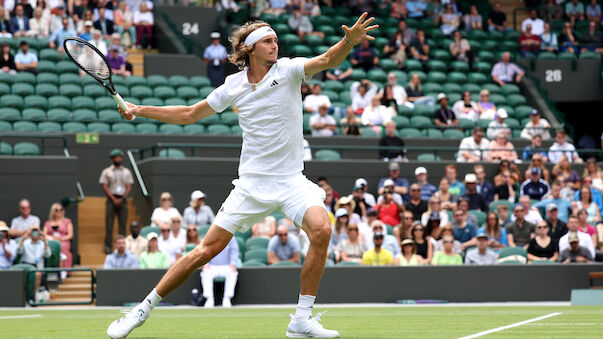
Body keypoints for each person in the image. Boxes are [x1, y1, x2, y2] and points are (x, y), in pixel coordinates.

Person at [107, 16, 379, 339]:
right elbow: (190, 114)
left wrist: (348, 42)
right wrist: (140, 109)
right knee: (204, 252)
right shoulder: (233, 86)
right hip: (250, 185)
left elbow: (326, 60)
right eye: (268, 41)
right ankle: (142, 310)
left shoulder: (289, 70)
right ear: (250, 49)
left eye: (276, 40)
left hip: (291, 181)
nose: (275, 45)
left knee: (321, 229)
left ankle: (301, 319)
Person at [100, 149, 134, 254]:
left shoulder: (126, 171)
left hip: (122, 199)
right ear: (112, 159)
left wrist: (123, 198)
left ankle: (123, 246)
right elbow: (104, 186)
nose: (118, 159)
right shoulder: (107, 171)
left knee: (122, 224)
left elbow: (129, 186)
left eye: (119, 157)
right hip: (111, 199)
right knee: (109, 224)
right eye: (116, 157)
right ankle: (108, 247)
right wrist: (113, 199)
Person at [200, 237, 239, 308]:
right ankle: (209, 299)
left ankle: (227, 298)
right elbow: (204, 250)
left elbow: (234, 251)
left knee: (233, 272)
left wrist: (233, 263)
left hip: (227, 266)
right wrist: (206, 264)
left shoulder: (231, 237)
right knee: (205, 272)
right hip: (212, 266)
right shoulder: (209, 236)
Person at [43, 202, 73, 268]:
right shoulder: (47, 223)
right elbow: (44, 235)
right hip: (51, 241)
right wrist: (53, 238)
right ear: (53, 211)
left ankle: (63, 270)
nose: (59, 212)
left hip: (63, 241)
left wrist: (59, 239)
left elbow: (70, 235)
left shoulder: (67, 221)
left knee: (61, 246)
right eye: (56, 210)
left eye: (61, 210)